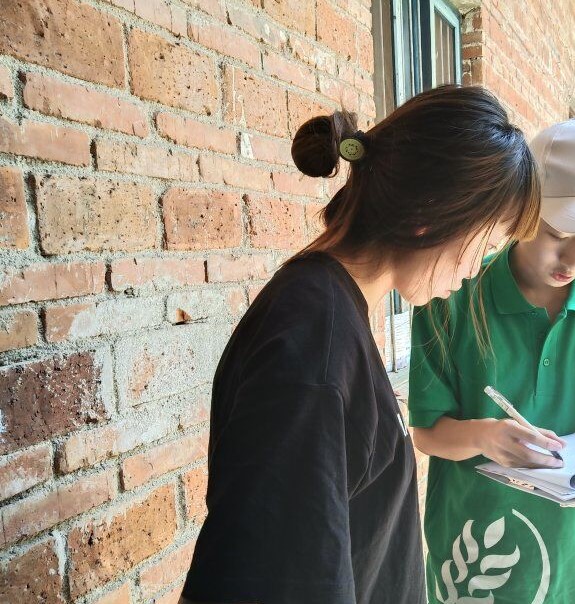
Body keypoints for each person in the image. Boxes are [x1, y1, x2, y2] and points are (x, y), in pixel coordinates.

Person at [180, 85, 542, 604]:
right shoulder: (316, 341)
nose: (474, 269)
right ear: (430, 216)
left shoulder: (330, 311)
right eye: (483, 242)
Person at [408, 114, 575, 604]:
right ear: (520, 211)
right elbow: (427, 432)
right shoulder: (450, 297)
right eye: (558, 233)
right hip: (476, 559)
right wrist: (483, 435)